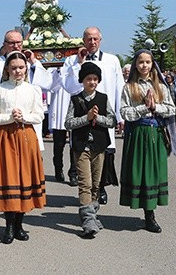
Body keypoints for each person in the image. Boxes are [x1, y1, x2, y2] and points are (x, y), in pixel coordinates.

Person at [0, 51, 46, 244]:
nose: (18, 71)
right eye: (14, 68)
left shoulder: (33, 89)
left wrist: (25, 117)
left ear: (26, 68)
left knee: (24, 180)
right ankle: (9, 226)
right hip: (6, 137)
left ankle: (19, 224)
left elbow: (39, 115)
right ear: (7, 69)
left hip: (27, 136)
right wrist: (10, 117)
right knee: (9, 178)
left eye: (21, 67)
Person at [61, 26, 124, 205]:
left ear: (100, 40)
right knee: (83, 152)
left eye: (95, 39)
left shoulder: (112, 60)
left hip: (105, 112)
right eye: (89, 39)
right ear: (83, 41)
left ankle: (100, 188)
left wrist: (120, 116)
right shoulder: (72, 61)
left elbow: (119, 88)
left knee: (103, 152)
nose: (92, 42)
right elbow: (70, 87)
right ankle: (87, 195)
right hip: (82, 114)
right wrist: (79, 64)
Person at [120, 49, 176, 233]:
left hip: (155, 134)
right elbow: (124, 112)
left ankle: (150, 214)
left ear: (152, 64)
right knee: (140, 173)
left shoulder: (160, 86)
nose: (144, 65)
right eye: (141, 62)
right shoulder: (129, 87)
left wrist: (155, 106)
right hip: (138, 133)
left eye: (148, 62)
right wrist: (144, 108)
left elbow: (171, 109)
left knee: (153, 173)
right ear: (136, 64)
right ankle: (146, 213)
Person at [64, 62, 116, 237]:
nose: (92, 82)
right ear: (82, 80)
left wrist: (98, 118)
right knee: (84, 183)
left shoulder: (103, 98)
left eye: (95, 79)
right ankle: (87, 220)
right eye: (88, 79)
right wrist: (86, 118)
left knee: (96, 183)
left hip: (99, 147)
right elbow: (68, 123)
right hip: (81, 147)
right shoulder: (75, 99)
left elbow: (112, 121)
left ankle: (93, 215)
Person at [0, 30, 52, 146]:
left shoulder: (30, 63)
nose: (16, 46)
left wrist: (34, 63)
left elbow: (46, 83)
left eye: (19, 42)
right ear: (4, 44)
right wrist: (8, 103)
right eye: (12, 43)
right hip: (4, 116)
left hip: (27, 117)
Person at [48, 67, 76, 184]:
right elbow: (51, 87)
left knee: (74, 144)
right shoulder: (53, 70)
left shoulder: (76, 66)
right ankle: (58, 169)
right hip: (59, 108)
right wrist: (58, 73)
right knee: (59, 144)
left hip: (73, 105)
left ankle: (74, 173)